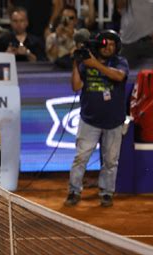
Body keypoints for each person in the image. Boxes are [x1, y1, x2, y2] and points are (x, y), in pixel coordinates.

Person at [65, 30, 129, 208]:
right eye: (105, 43)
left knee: (110, 161)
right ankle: (74, 190)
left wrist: (94, 64)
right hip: (89, 120)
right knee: (81, 157)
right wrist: (77, 63)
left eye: (112, 44)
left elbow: (119, 76)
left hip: (114, 121)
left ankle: (107, 193)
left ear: (117, 47)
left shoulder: (120, 62)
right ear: (98, 43)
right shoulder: (85, 61)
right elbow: (76, 86)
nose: (108, 47)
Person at [117, 0, 153, 67]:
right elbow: (120, 6)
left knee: (150, 75)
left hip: (149, 41)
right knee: (124, 73)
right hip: (128, 42)